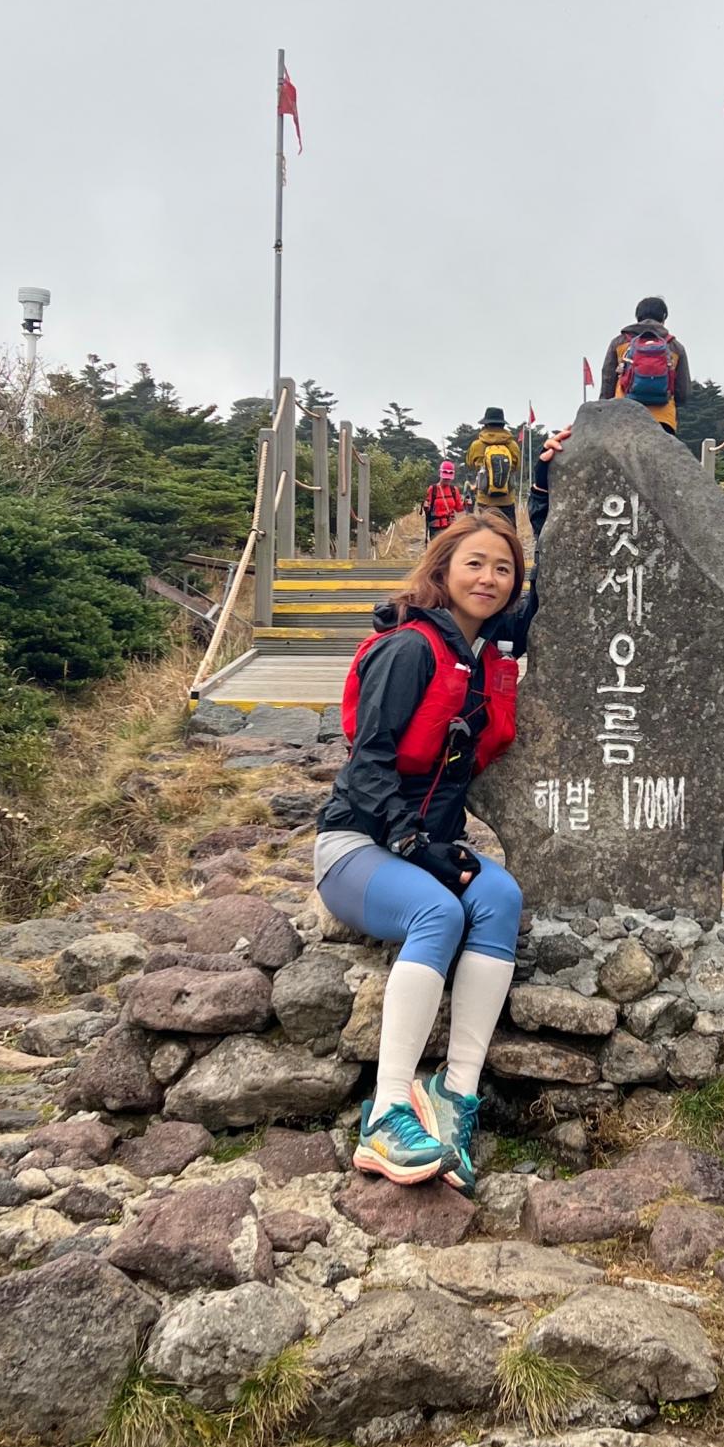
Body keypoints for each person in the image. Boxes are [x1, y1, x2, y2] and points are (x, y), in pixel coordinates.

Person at [315, 435, 567, 1193]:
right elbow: (367, 767)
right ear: (443, 569)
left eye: (503, 569)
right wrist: (413, 843)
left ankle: (455, 1095)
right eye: (475, 564)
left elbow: (549, 594)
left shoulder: (485, 648)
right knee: (439, 912)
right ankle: (387, 1112)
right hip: (358, 848)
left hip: (421, 845)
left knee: (500, 898)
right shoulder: (410, 650)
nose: (490, 579)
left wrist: (547, 493)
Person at [599, 297, 692, 432]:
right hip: (663, 419)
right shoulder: (675, 347)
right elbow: (683, 392)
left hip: (624, 414)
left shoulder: (620, 342)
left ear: (637, 316)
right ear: (664, 317)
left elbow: (608, 381)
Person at [465, 408, 522, 514]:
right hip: (507, 500)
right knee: (507, 525)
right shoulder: (513, 445)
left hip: (485, 500)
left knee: (486, 525)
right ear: (503, 425)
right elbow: (517, 467)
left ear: (486, 424)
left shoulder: (476, 445)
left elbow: (470, 464)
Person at [422, 459, 465, 537]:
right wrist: (425, 506)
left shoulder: (454, 490)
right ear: (440, 474)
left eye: (449, 478)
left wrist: (466, 503)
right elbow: (427, 510)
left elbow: (459, 508)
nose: (447, 480)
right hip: (436, 529)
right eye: (445, 478)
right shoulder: (432, 489)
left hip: (451, 526)